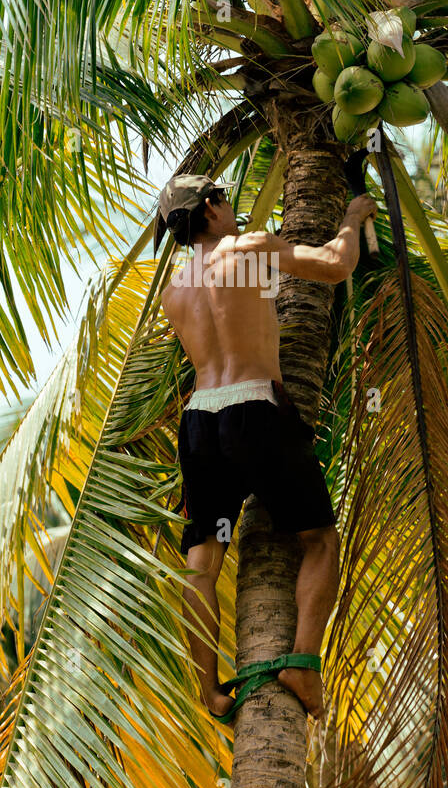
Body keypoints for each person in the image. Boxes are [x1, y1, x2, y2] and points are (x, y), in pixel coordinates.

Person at [157, 172, 377, 721]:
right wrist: (352, 219)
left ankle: (209, 691)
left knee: (202, 564)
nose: (231, 207)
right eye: (224, 198)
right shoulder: (246, 248)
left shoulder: (174, 290)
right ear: (210, 208)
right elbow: (335, 265)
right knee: (321, 540)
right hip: (254, 409)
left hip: (200, 421)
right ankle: (302, 662)